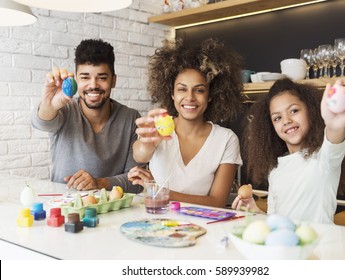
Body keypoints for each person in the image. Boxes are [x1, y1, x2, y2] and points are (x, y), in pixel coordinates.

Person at [128, 38, 245, 208]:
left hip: (202, 226)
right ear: (172, 94)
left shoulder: (226, 139)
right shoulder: (159, 128)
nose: (190, 97)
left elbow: (217, 201)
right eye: (182, 89)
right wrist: (147, 144)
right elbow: (140, 155)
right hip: (156, 222)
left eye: (199, 90)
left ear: (210, 95)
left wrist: (161, 192)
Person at [232, 78, 345, 224]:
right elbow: (275, 221)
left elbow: (334, 139)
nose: (286, 120)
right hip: (286, 245)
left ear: (310, 111)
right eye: (277, 118)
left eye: (293, 111)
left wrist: (334, 124)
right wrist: (255, 211)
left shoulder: (324, 159)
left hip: (320, 246)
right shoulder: (275, 170)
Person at [31, 38, 146, 193]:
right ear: (76, 79)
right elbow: (41, 123)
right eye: (85, 77)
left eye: (102, 77)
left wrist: (100, 183)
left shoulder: (130, 118)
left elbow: (137, 182)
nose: (93, 85)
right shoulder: (64, 110)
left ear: (114, 81)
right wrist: (49, 104)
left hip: (114, 212)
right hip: (62, 209)